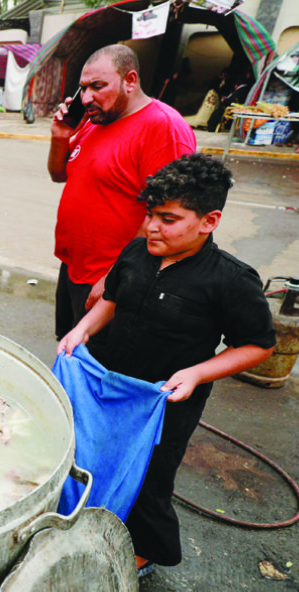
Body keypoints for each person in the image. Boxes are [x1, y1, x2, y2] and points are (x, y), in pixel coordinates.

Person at [57, 153, 276, 575]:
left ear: (209, 221)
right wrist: (82, 330)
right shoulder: (138, 252)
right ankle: (86, 515)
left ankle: (144, 551)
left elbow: (258, 345)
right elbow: (112, 300)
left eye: (169, 219)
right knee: (92, 452)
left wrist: (197, 373)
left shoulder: (230, 280)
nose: (153, 226)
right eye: (150, 215)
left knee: (150, 478)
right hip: (113, 384)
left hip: (166, 400)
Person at [48, 44, 195, 359]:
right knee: (72, 355)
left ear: (130, 80)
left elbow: (167, 216)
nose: (86, 98)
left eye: (98, 87)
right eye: (83, 88)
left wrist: (117, 275)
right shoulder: (94, 120)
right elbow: (59, 174)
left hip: (114, 281)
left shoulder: (163, 128)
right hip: (75, 267)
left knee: (102, 368)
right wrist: (60, 136)